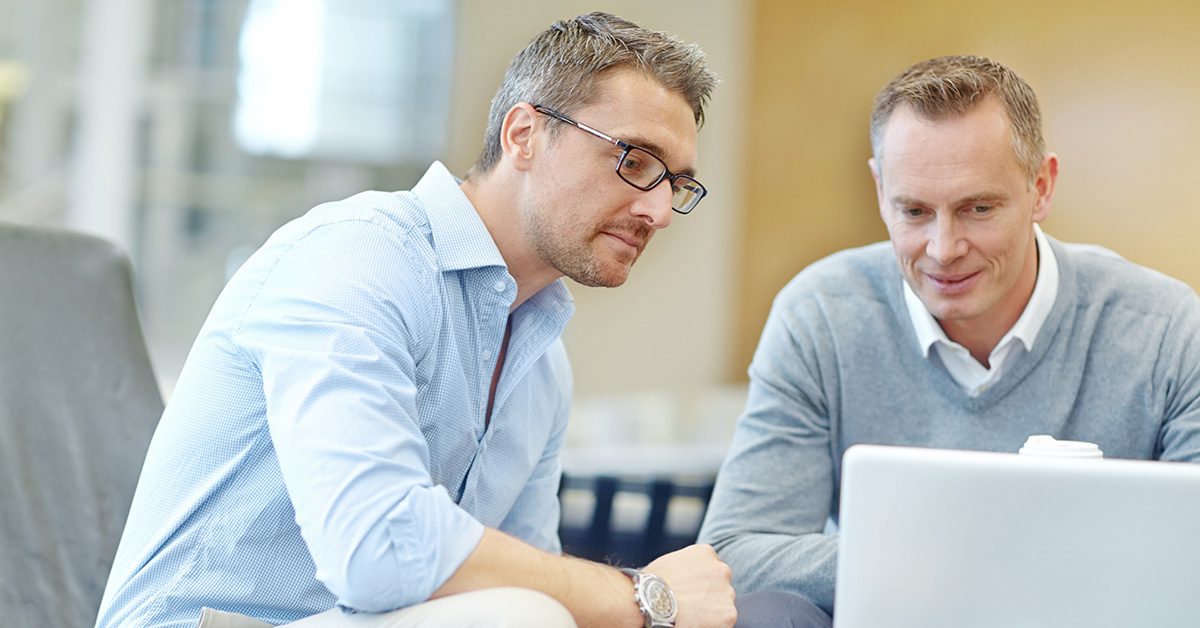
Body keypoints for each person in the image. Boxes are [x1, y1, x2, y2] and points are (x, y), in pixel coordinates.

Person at [96, 12, 750, 628]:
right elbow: (378, 546)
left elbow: (533, 577)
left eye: (678, 184)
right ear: (523, 135)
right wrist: (648, 598)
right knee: (522, 616)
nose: (659, 212)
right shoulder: (356, 255)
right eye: (635, 161)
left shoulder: (542, 361)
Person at [698, 54, 1200, 623]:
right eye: (913, 211)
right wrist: (949, 560)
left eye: (977, 208)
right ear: (879, 188)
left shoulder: (1164, 327)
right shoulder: (822, 315)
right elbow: (733, 554)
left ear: (1041, 187)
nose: (943, 248)